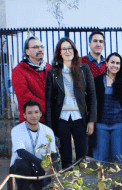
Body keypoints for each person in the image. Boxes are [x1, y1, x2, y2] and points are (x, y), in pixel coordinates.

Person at [45, 37, 96, 169]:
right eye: (64, 49)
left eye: (70, 48)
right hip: (62, 119)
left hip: (80, 118)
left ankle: (80, 180)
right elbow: (49, 101)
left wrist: (91, 120)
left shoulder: (84, 69)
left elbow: (92, 95)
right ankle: (67, 180)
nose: (67, 51)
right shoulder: (53, 72)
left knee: (82, 156)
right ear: (59, 52)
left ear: (74, 50)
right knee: (65, 157)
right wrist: (50, 126)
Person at [10, 100, 58, 190]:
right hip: (22, 167)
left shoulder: (48, 131)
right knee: (23, 164)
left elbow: (53, 153)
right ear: (24, 115)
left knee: (54, 165)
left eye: (36, 112)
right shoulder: (17, 130)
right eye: (29, 113)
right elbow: (21, 152)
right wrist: (42, 164)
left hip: (40, 168)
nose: (33, 116)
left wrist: (53, 168)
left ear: (40, 114)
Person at [93, 53, 122, 163]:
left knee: (119, 159)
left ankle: (120, 176)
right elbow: (92, 102)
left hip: (119, 125)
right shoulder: (97, 80)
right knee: (101, 159)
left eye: (118, 63)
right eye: (112, 62)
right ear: (106, 63)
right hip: (101, 125)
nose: (115, 65)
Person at [13, 37, 51, 123]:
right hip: (31, 120)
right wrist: (48, 108)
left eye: (41, 47)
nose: (40, 49)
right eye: (35, 47)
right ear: (27, 52)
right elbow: (25, 96)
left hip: (51, 119)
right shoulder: (19, 70)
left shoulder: (49, 68)